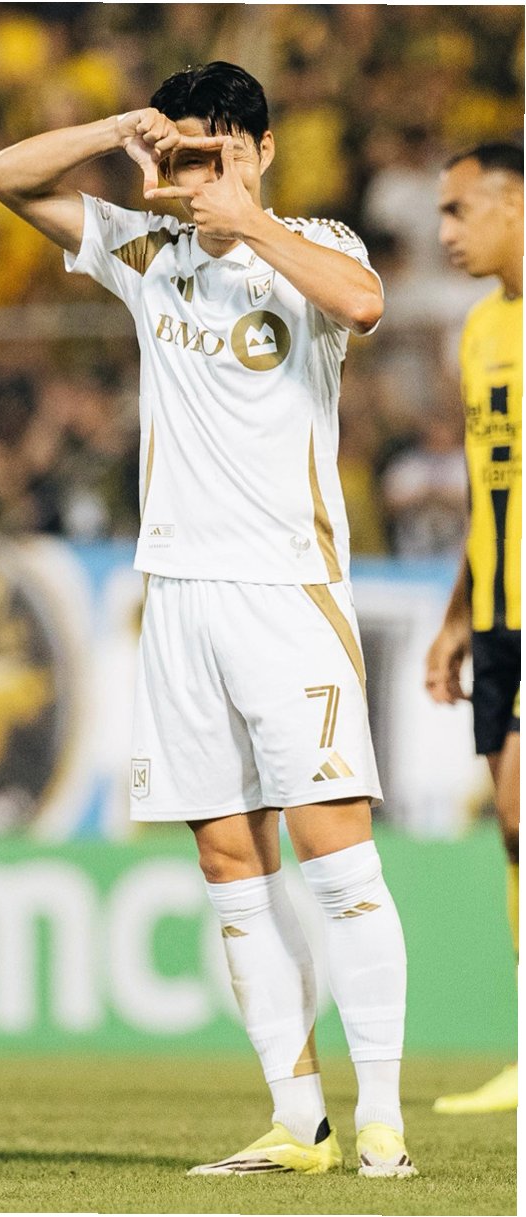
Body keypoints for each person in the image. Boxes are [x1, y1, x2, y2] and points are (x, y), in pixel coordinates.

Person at [0, 60, 416, 1178]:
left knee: (334, 852)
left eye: (220, 150)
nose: (199, 173)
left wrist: (246, 220)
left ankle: (384, 1122)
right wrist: (113, 132)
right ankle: (297, 1120)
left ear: (262, 151)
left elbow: (365, 304)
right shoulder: (147, 252)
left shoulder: (314, 244)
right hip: (175, 591)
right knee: (228, 856)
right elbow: (3, 175)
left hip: (287, 590)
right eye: (184, 151)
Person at [426, 141, 522, 1115]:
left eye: (459, 210)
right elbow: (486, 485)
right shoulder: (482, 327)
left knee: (523, 810)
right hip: (495, 614)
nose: (446, 231)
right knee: (509, 824)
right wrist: (457, 616)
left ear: (514, 203)